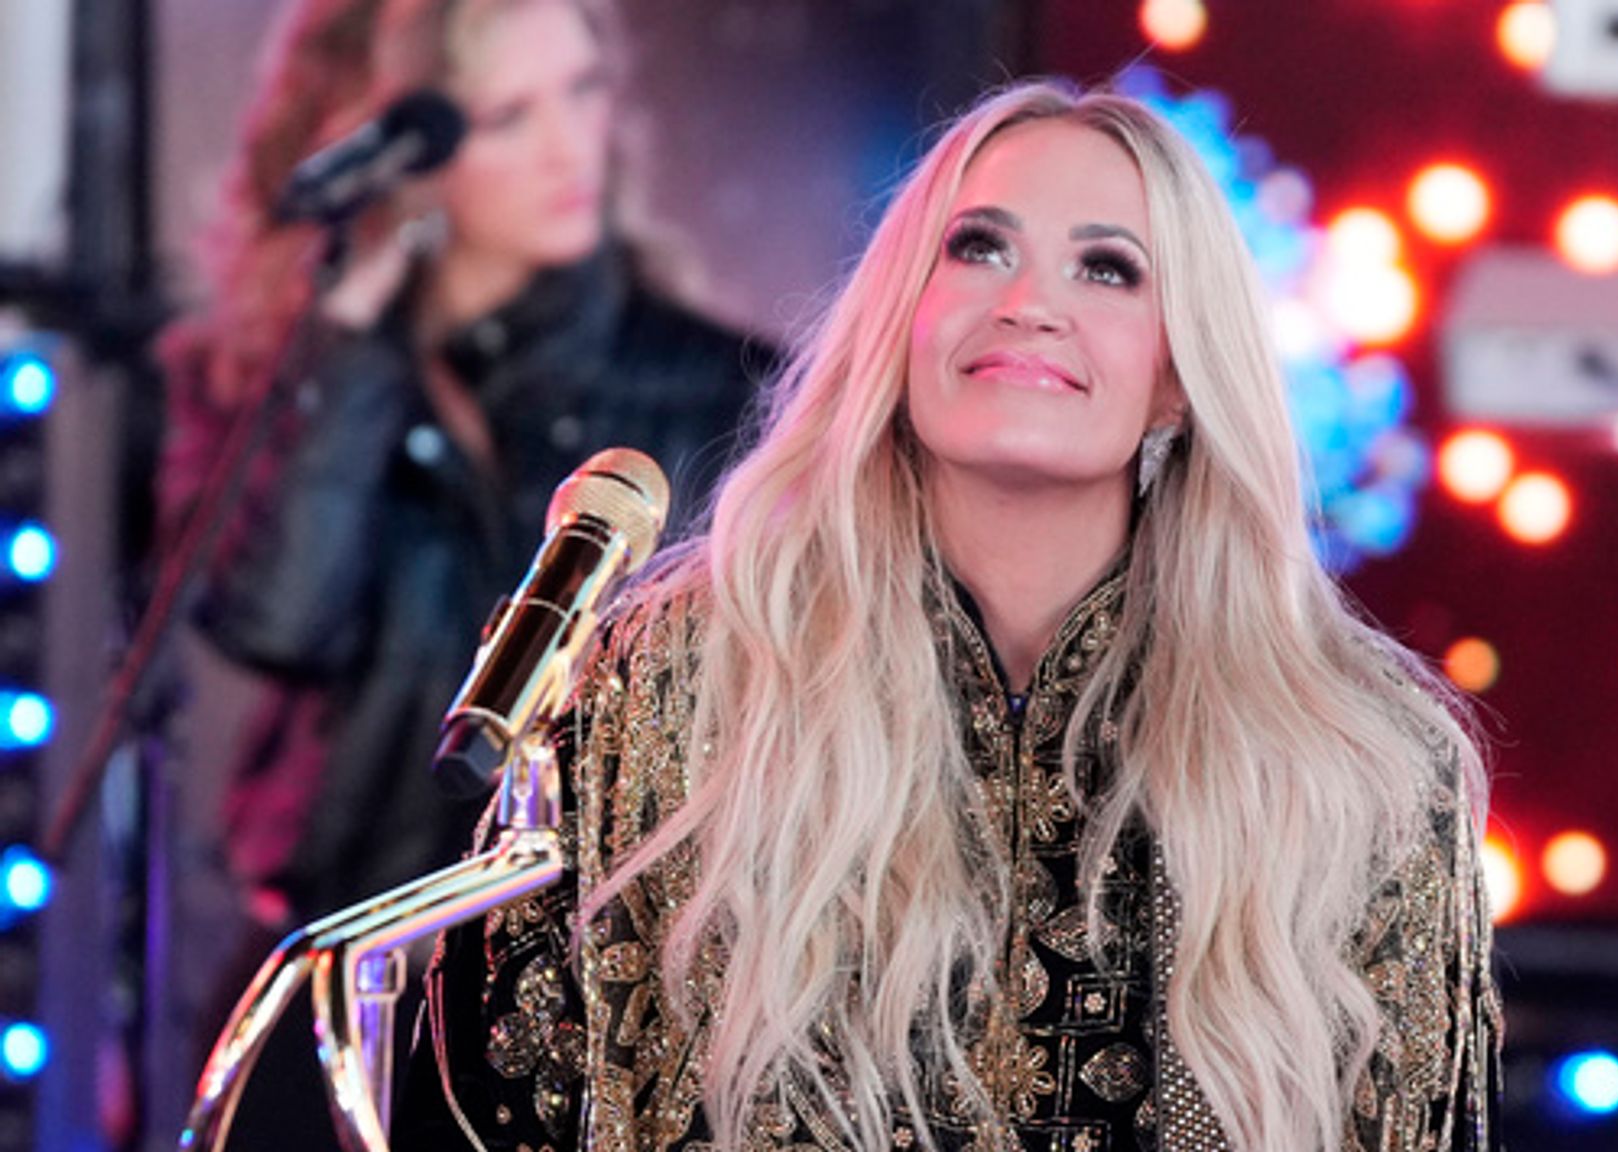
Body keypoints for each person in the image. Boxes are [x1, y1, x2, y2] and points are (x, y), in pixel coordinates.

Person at [397, 80, 1500, 1152]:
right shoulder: (671, 682)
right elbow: (487, 1103)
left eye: (1108, 270)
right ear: (900, 320)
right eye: (978, 248)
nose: (1028, 301)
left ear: (1177, 374)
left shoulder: (1365, 765)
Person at [153, 0, 759, 1144]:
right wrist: (345, 337)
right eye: (506, 114)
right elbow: (280, 618)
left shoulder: (709, 385)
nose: (567, 143)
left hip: (579, 982)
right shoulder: (284, 375)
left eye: (581, 92)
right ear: (404, 151)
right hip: (345, 947)